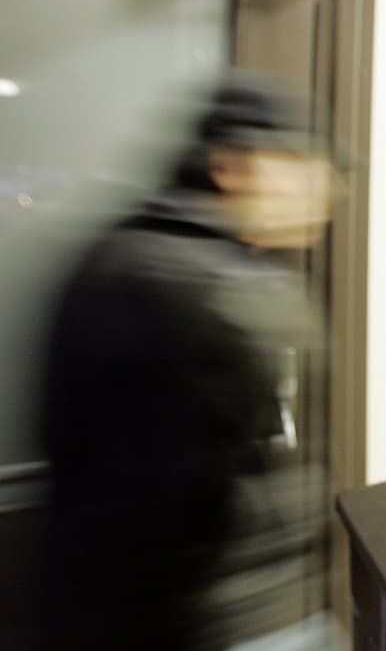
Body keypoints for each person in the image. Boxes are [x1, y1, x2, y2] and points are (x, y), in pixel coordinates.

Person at [39, 73, 337, 650]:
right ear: (231, 167)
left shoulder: (126, 252)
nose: (325, 189)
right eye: (302, 165)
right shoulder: (203, 287)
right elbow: (173, 508)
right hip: (228, 622)